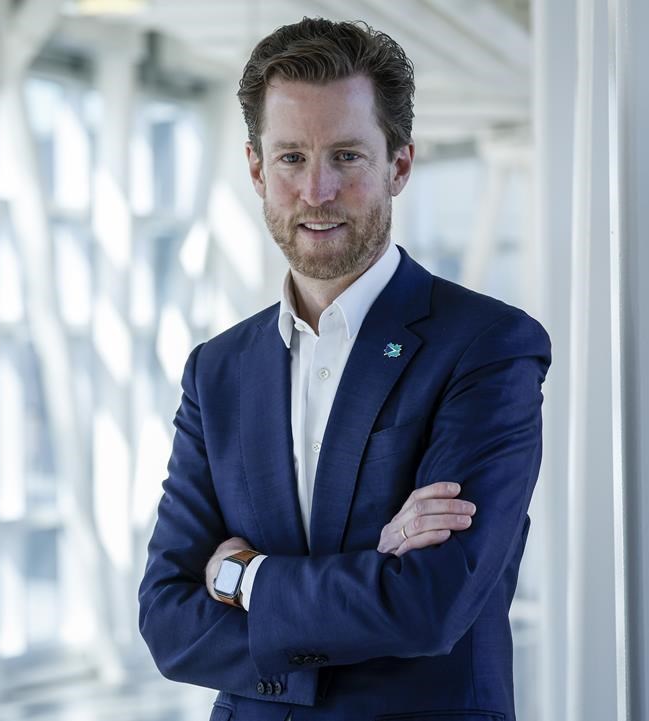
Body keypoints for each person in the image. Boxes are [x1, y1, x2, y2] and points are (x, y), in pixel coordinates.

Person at [137, 16, 551, 721]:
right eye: (291, 158)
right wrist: (368, 579)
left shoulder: (488, 347)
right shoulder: (218, 371)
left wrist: (243, 577)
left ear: (399, 166)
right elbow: (168, 622)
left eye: (347, 156)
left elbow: (428, 606)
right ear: (256, 168)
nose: (317, 190)